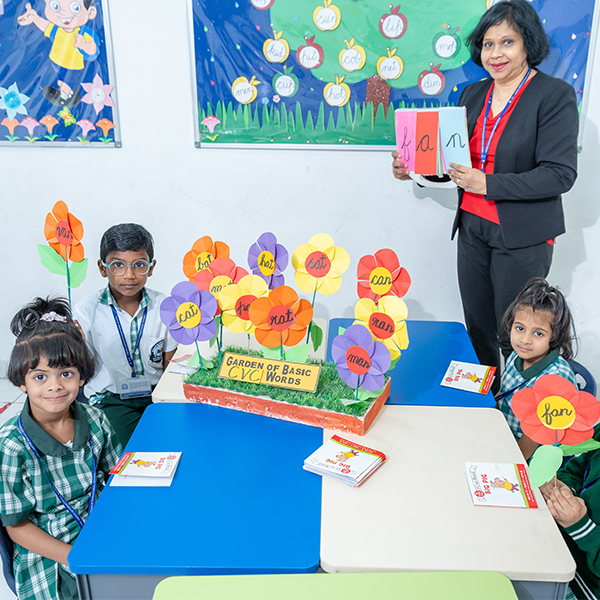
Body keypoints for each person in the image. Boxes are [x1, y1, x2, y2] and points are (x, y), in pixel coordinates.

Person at [391, 0, 578, 382]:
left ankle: (515, 418)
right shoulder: (472, 94)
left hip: (522, 236)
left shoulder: (553, 95)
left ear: (527, 44)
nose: (496, 54)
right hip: (473, 227)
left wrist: (487, 183)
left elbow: (559, 175)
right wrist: (413, 170)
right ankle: (486, 411)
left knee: (517, 337)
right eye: (488, 44)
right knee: (477, 328)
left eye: (507, 42)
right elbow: (452, 164)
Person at [0, 297, 122, 600]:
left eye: (66, 373)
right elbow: (17, 527)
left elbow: (119, 475)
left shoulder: (95, 418)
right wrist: (73, 557)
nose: (54, 386)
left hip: (101, 527)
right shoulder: (11, 447)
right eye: (40, 377)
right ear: (21, 383)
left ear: (82, 377)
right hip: (52, 553)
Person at [73, 223, 177, 446]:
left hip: (157, 395)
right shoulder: (86, 311)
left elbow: (170, 364)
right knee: (127, 453)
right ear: (103, 268)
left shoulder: (165, 306)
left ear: (151, 267)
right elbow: (81, 367)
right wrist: (72, 344)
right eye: (118, 265)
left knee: (170, 445)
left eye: (139, 265)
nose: (129, 275)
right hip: (112, 399)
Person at [496, 277, 576, 460]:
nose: (525, 340)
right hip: (506, 436)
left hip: (533, 455)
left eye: (538, 333)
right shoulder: (517, 355)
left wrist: (512, 461)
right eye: (520, 328)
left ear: (554, 336)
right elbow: (504, 396)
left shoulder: (557, 379)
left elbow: (534, 435)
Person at [540, 432, 600, 600]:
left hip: (584, 584)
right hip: (558, 542)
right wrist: (564, 489)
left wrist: (581, 526)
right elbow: (576, 469)